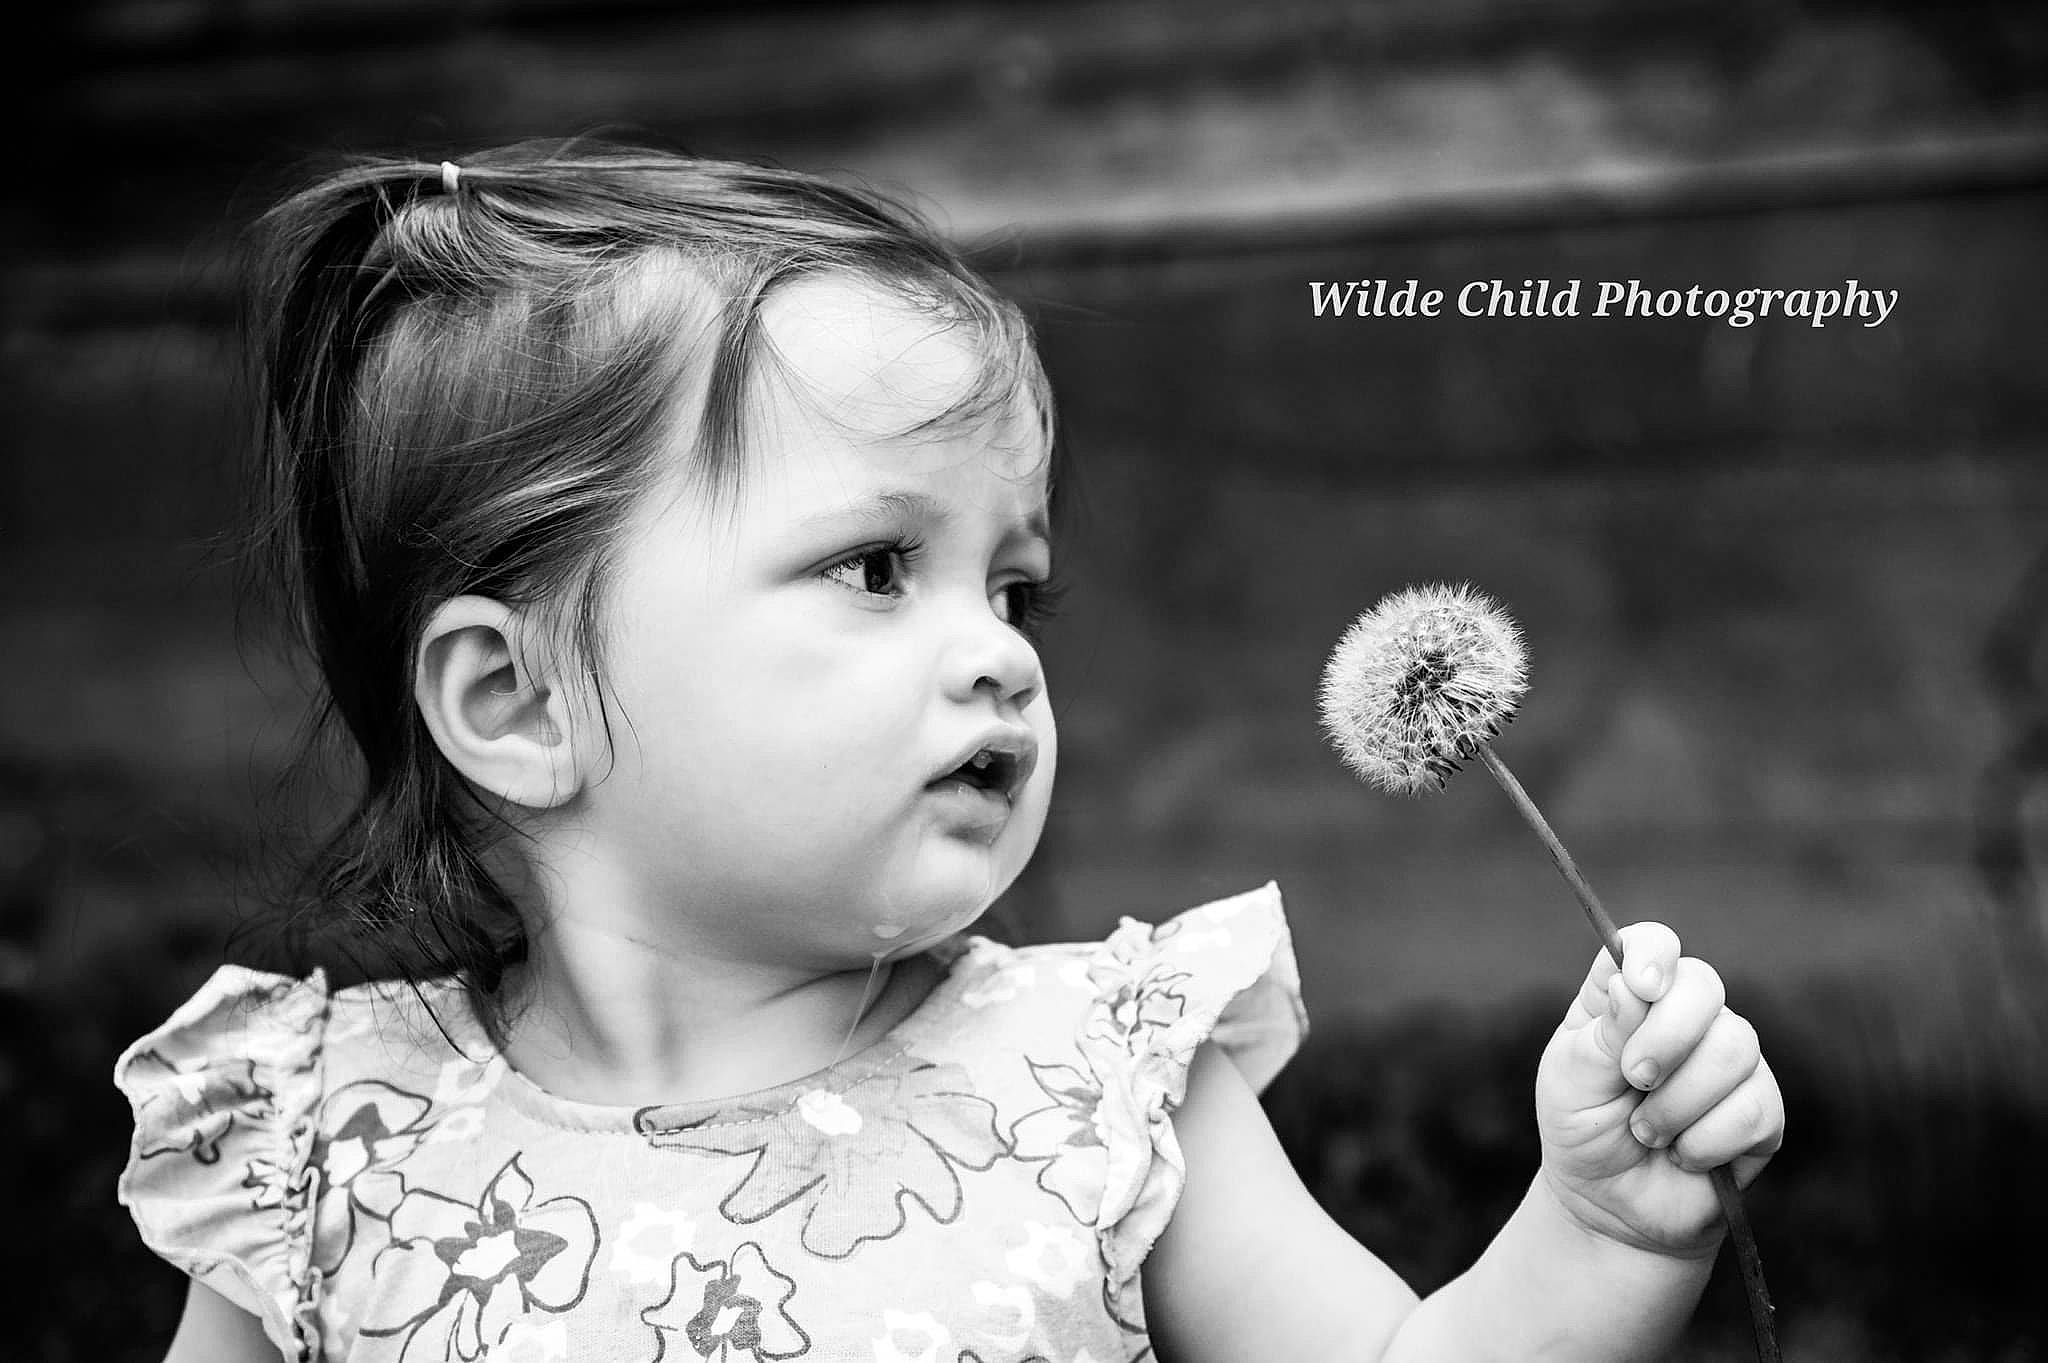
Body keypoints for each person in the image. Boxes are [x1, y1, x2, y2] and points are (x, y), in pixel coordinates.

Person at [116, 139, 1784, 1363]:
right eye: (874, 569)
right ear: (520, 707)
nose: (995, 651)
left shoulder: (1097, 1092)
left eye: (1015, 588)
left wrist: (1598, 1235)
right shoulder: (323, 1151)